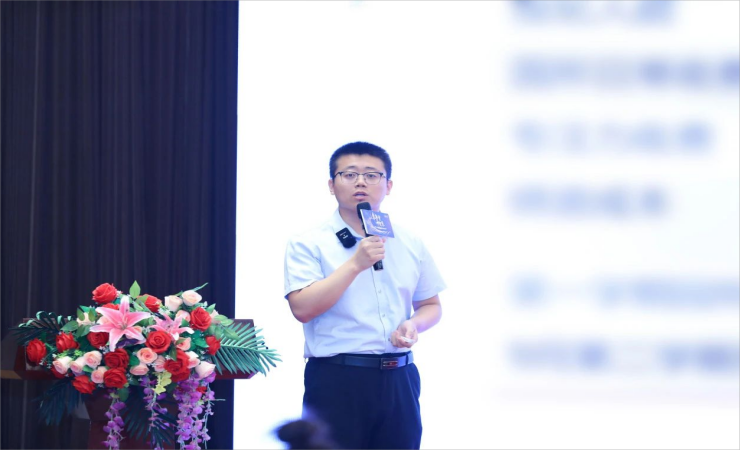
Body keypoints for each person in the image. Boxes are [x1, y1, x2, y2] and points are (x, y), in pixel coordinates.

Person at [283, 141, 446, 450]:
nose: (361, 182)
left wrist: (414, 325)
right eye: (349, 174)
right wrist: (355, 264)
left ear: (388, 185)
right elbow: (302, 308)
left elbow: (431, 305)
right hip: (338, 379)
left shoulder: (409, 240)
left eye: (372, 175)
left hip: (400, 378)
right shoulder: (308, 242)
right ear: (331, 185)